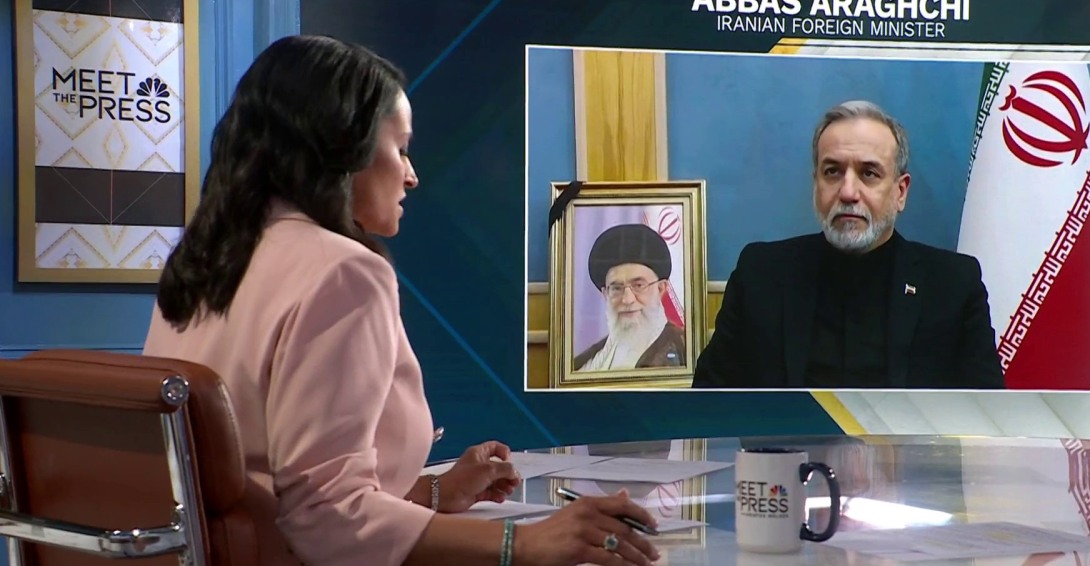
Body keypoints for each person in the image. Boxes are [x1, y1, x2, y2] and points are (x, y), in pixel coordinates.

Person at [143, 35, 660, 566]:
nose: (412, 175)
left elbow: (263, 484)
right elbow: (325, 516)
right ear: (344, 148)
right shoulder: (343, 272)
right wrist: (525, 542)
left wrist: (431, 492)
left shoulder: (204, 261)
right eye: (401, 148)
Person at [691, 100, 1005, 390]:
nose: (848, 192)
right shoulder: (760, 275)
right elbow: (706, 406)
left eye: (869, 173)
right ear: (816, 184)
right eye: (833, 172)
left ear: (900, 192)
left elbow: (988, 416)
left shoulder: (953, 285)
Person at [574, 224, 686, 372]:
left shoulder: (684, 348)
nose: (627, 300)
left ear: (660, 289)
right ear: (605, 294)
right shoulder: (588, 362)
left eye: (638, 285)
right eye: (616, 288)